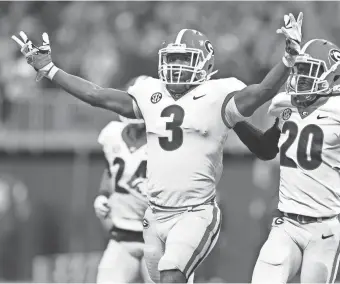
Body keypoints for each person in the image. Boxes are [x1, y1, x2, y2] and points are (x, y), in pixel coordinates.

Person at [12, 11, 303, 283]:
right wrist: (50, 69)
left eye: (185, 60)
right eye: (173, 59)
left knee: (171, 275)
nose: (176, 67)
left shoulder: (219, 94)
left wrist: (288, 59)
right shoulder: (151, 92)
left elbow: (262, 91)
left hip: (195, 212)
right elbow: (96, 95)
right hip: (154, 215)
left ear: (206, 64)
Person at [233, 38, 340, 283]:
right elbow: (266, 149)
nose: (301, 76)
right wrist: (235, 120)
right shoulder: (287, 108)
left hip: (324, 229)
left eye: (310, 70)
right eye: (299, 70)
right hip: (286, 223)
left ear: (333, 76)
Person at [94, 107, 151, 283]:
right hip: (122, 235)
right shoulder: (112, 133)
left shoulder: (166, 140)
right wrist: (103, 194)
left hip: (159, 238)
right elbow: (111, 169)